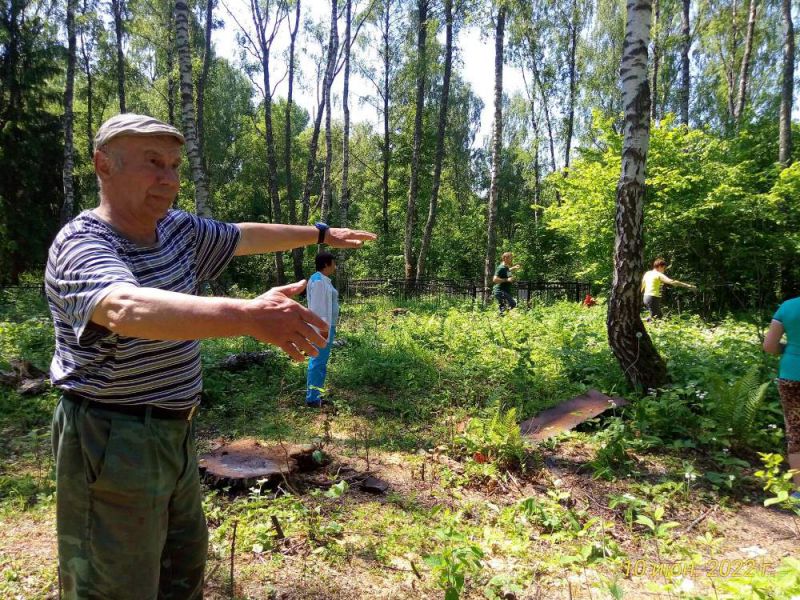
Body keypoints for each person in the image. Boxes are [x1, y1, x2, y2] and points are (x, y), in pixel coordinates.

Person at [45, 113, 376, 599]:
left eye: (175, 165)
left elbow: (242, 235)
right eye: (153, 163)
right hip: (109, 437)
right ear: (103, 166)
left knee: (182, 575)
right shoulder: (83, 243)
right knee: (113, 586)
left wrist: (320, 233)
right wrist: (247, 314)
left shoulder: (177, 230)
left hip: (175, 432)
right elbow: (125, 306)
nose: (170, 180)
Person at [763, 295, 800, 499]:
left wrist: (789, 349)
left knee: (796, 432)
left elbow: (769, 346)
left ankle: (799, 493)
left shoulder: (788, 307)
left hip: (791, 376)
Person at [305, 252, 339, 407]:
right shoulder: (318, 281)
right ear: (326, 264)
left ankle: (316, 394)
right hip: (322, 329)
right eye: (333, 263)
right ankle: (313, 398)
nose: (335, 266)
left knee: (320, 361)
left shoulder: (323, 280)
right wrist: (323, 329)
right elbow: (318, 308)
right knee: (318, 361)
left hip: (327, 327)